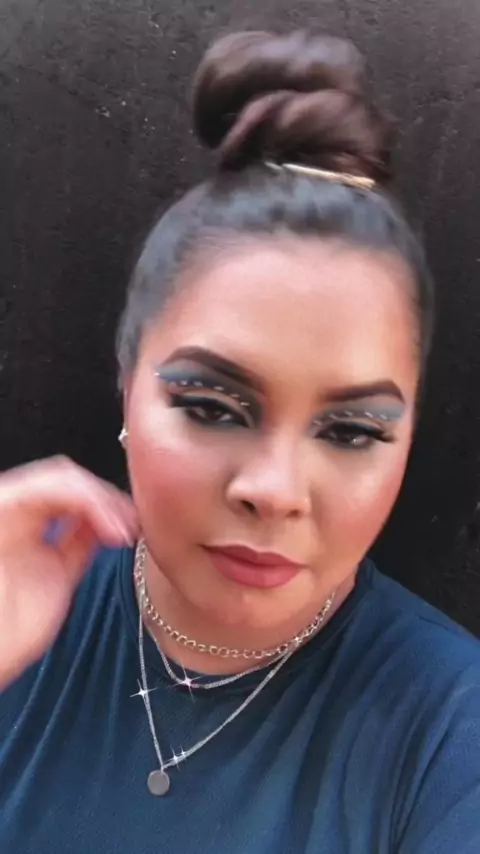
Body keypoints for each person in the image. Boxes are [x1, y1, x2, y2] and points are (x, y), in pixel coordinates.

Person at [0, 29, 478, 854]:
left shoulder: (450, 734)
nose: (275, 489)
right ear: (126, 383)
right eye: (214, 407)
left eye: (353, 429)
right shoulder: (18, 612)